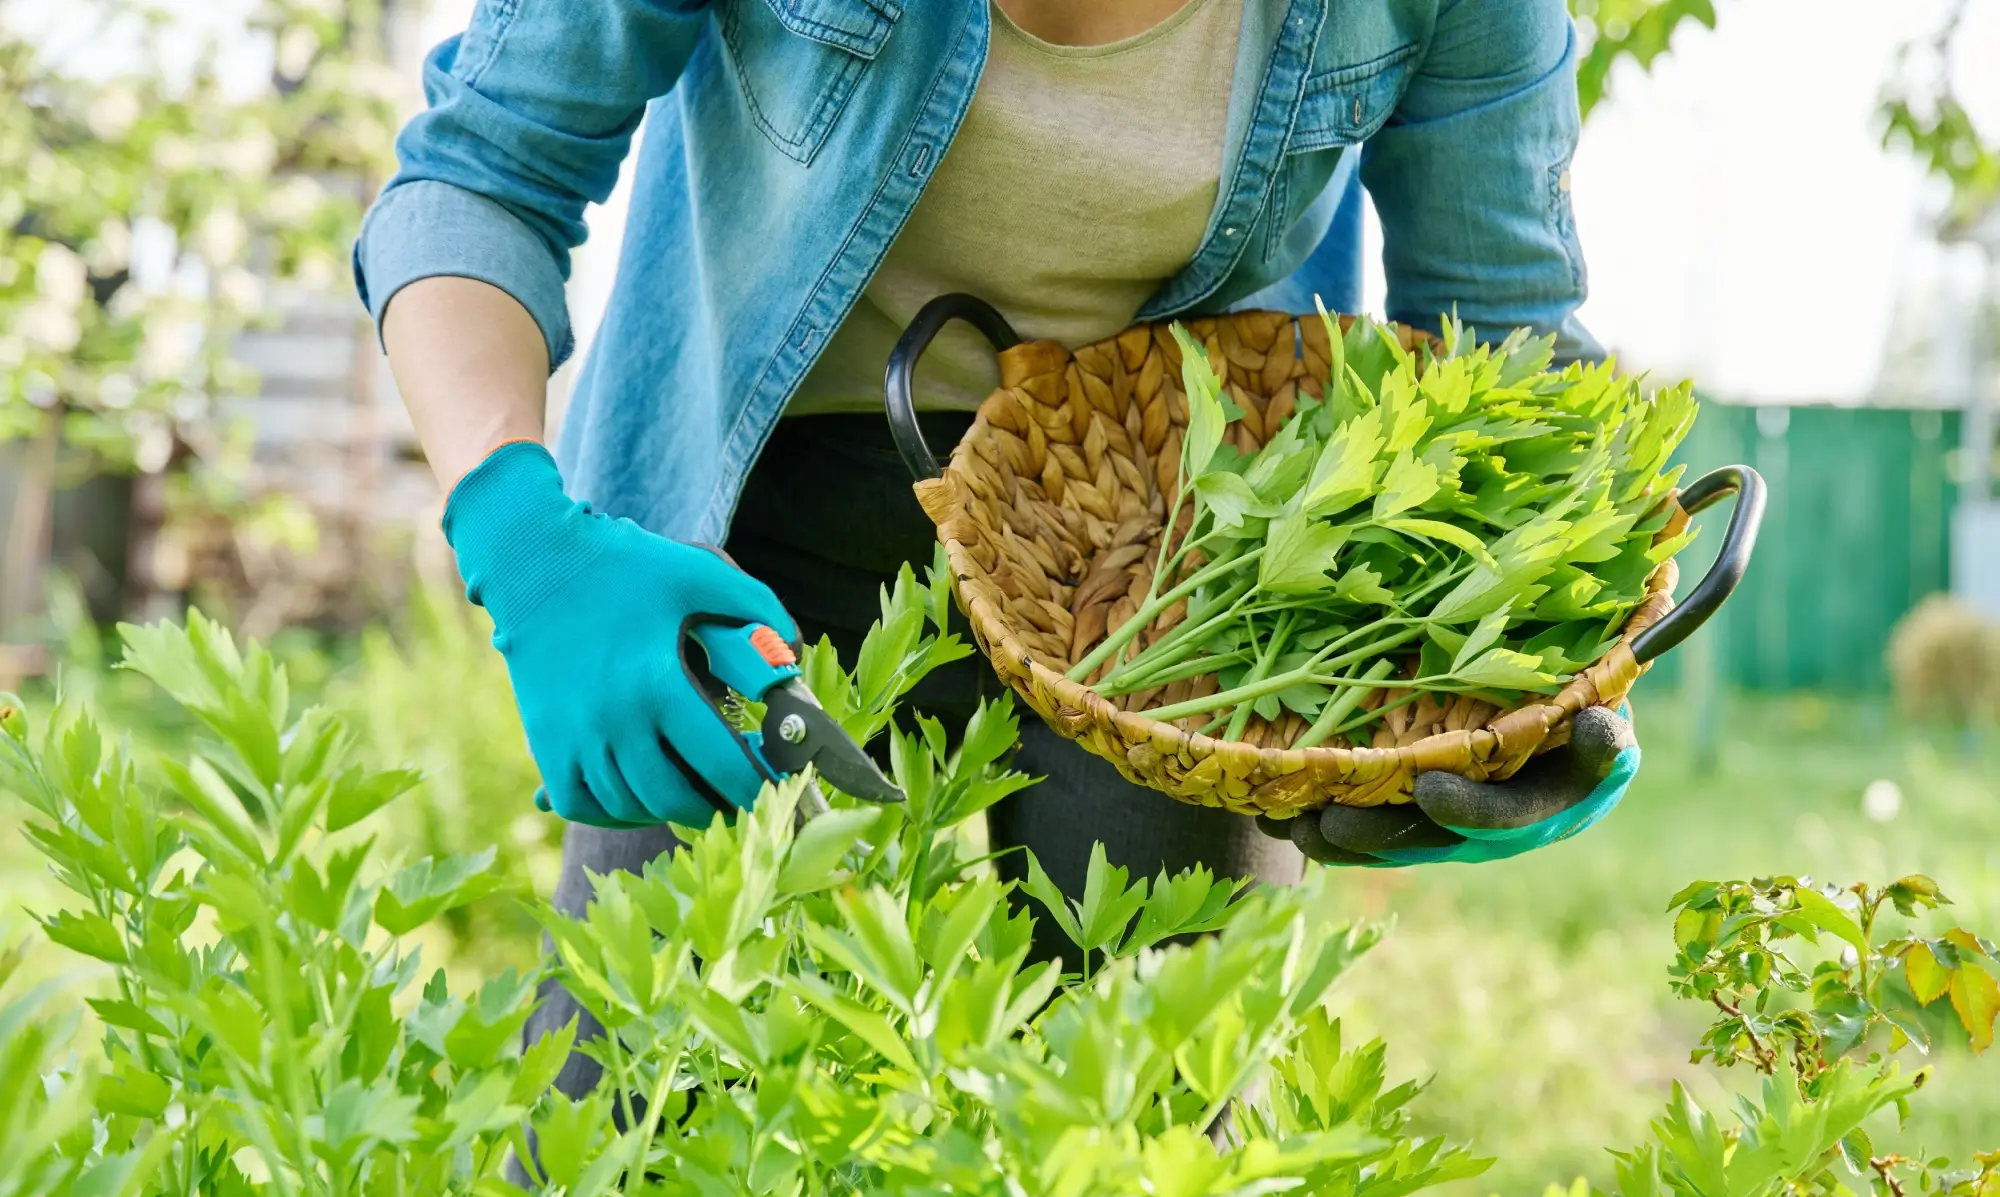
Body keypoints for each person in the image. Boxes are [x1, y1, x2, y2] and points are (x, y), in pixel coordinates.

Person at [358, 0, 1639, 1068]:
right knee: (630, 1128)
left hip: (1191, 584)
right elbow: (482, 173)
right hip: (749, 525)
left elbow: (1505, 343)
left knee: (1132, 1177)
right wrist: (520, 529)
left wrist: (1551, 671)